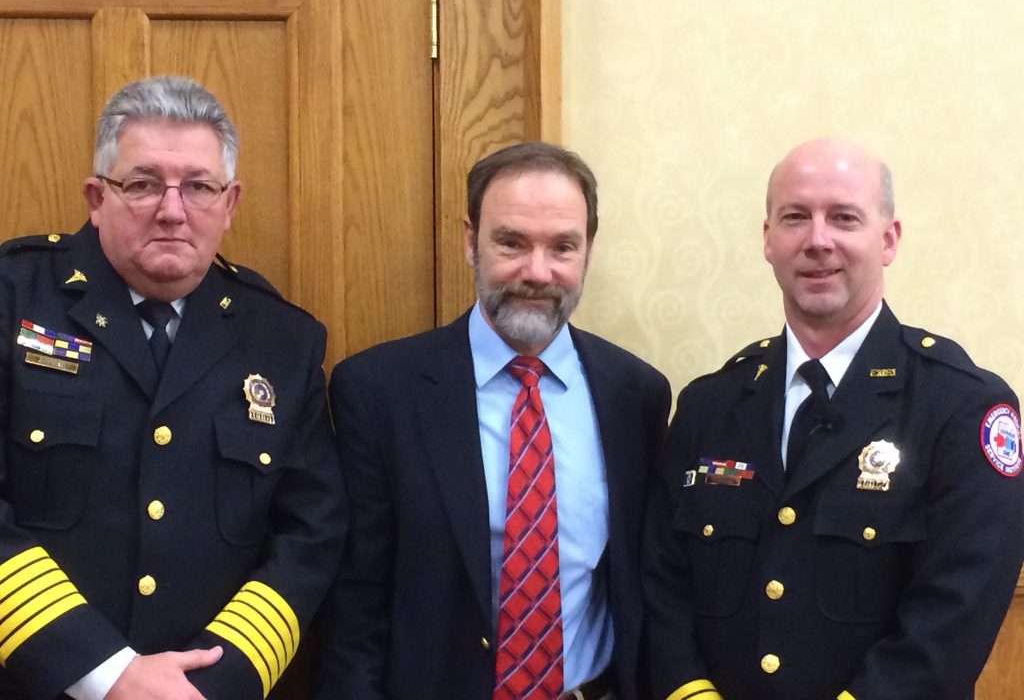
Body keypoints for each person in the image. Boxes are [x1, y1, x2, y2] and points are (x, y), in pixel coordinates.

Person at [0, 76, 345, 700]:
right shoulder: (13, 299)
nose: (172, 208)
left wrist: (216, 681)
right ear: (95, 197)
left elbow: (311, 534)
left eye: (199, 186)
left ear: (231, 202)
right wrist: (105, 673)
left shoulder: (283, 341)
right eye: (142, 183)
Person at [643, 137, 1024, 700]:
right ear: (768, 239)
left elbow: (953, 616)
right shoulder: (710, 406)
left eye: (844, 218)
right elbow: (662, 582)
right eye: (795, 217)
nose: (818, 240)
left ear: (889, 239)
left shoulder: (961, 406)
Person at [313, 141, 671, 700]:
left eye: (562, 247)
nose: (537, 271)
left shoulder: (637, 395)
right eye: (511, 243)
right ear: (470, 241)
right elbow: (355, 609)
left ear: (588, 251)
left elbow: (647, 589)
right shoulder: (379, 392)